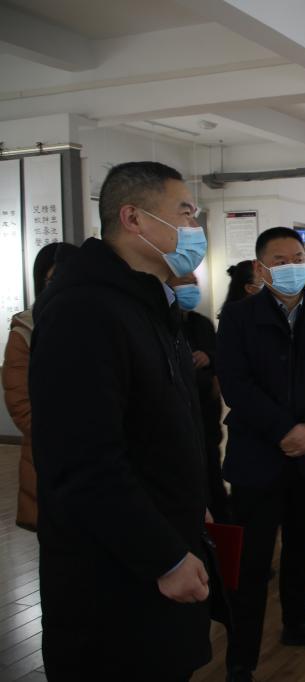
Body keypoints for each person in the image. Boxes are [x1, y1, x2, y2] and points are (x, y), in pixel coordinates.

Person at [29, 161, 212, 680]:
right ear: (133, 218)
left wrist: (190, 505)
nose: (194, 227)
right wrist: (164, 557)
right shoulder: (84, 310)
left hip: (160, 541)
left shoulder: (147, 302)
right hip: (113, 578)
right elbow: (84, 463)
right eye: (185, 213)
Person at [216, 226, 305, 681]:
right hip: (259, 457)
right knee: (252, 560)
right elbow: (236, 384)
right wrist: (284, 430)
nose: (292, 266)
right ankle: (242, 656)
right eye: (280, 260)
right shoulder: (238, 317)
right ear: (261, 268)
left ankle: (297, 621)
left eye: (297, 258)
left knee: (303, 545)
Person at [3, 241, 77, 532]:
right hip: (50, 460)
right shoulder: (26, 330)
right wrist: (67, 438)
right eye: (54, 279)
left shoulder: (97, 322)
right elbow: (20, 404)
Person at [168, 272, 230, 523]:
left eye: (194, 283)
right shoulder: (162, 322)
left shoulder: (202, 323)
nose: (191, 288)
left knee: (212, 470)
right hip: (178, 414)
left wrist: (210, 358)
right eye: (184, 283)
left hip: (207, 412)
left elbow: (220, 355)